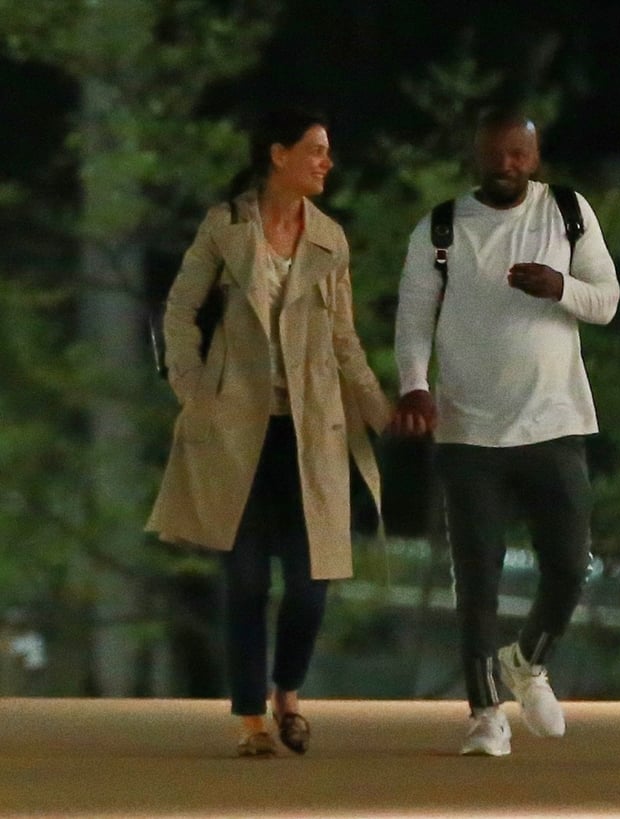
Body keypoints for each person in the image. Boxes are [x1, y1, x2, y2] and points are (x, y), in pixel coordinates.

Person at [146, 108, 392, 757]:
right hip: (237, 430)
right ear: (278, 154)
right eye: (315, 149)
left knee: (312, 583)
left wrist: (382, 408)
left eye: (328, 151)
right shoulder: (226, 227)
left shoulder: (330, 239)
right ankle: (252, 718)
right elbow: (179, 310)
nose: (325, 162)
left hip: (310, 432)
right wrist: (196, 393)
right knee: (248, 578)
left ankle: (289, 692)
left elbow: (344, 340)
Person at [391, 106, 619, 756]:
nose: (505, 166)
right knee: (478, 579)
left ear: (535, 156)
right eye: (494, 154)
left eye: (517, 154)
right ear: (477, 155)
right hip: (469, 431)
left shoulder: (568, 212)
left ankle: (529, 659)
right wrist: (415, 384)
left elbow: (607, 301)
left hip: (555, 421)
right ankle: (485, 712)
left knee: (571, 566)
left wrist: (560, 287)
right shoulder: (441, 227)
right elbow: (413, 316)